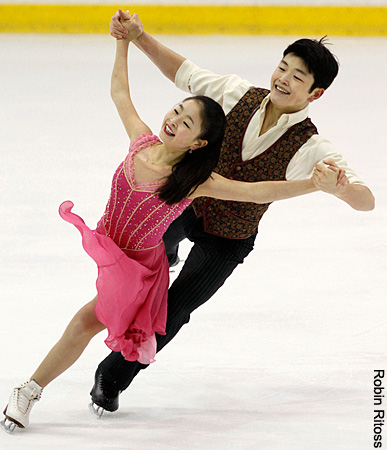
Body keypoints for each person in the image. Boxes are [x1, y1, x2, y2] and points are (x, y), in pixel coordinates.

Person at [0, 16, 337, 434]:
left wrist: (313, 184)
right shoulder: (142, 139)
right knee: (94, 316)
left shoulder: (197, 181)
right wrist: (124, 42)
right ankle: (36, 385)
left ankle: (36, 389)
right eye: (176, 111)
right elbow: (122, 92)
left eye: (186, 122)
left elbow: (256, 192)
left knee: (106, 320)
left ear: (199, 144)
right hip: (114, 246)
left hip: (143, 265)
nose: (174, 120)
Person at [85, 11, 375, 418]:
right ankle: (165, 250)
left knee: (175, 308)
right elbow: (183, 73)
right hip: (186, 203)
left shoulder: (310, 146)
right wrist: (138, 37)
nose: (283, 78)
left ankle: (112, 377)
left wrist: (340, 189)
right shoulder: (238, 93)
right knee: (157, 233)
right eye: (283, 67)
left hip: (228, 236)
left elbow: (368, 200)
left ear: (315, 93)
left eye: (298, 77)